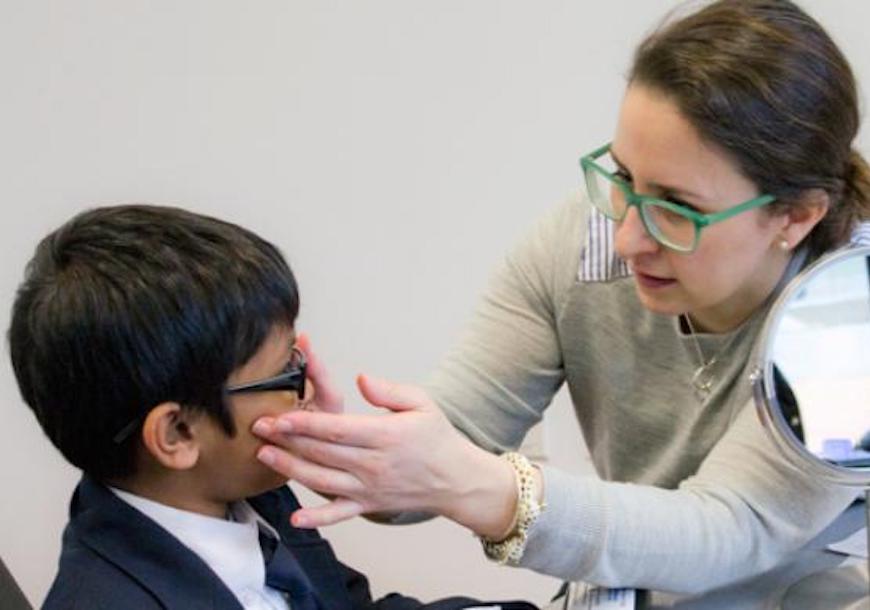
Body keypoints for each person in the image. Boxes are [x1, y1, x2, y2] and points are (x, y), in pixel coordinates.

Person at [250, 0, 870, 604]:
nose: (628, 239)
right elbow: (453, 441)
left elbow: (726, 531)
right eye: (626, 181)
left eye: (678, 210)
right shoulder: (580, 246)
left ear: (796, 215)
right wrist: (359, 459)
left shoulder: (854, 316)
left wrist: (491, 491)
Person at [7, 205, 536, 610]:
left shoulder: (257, 498)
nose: (306, 391)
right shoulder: (105, 597)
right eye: (288, 371)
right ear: (178, 434)